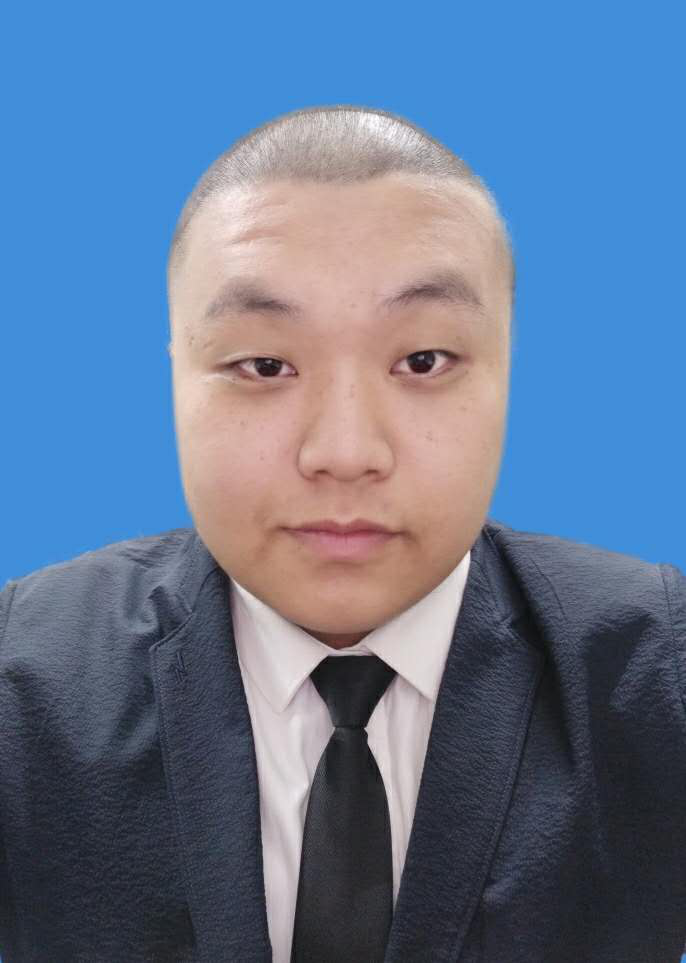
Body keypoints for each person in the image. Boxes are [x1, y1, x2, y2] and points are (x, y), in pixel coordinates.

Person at [0, 105, 684, 963]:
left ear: (509, 366)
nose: (345, 452)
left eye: (423, 360)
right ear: (176, 373)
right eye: (265, 365)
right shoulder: (22, 680)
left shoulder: (658, 667)